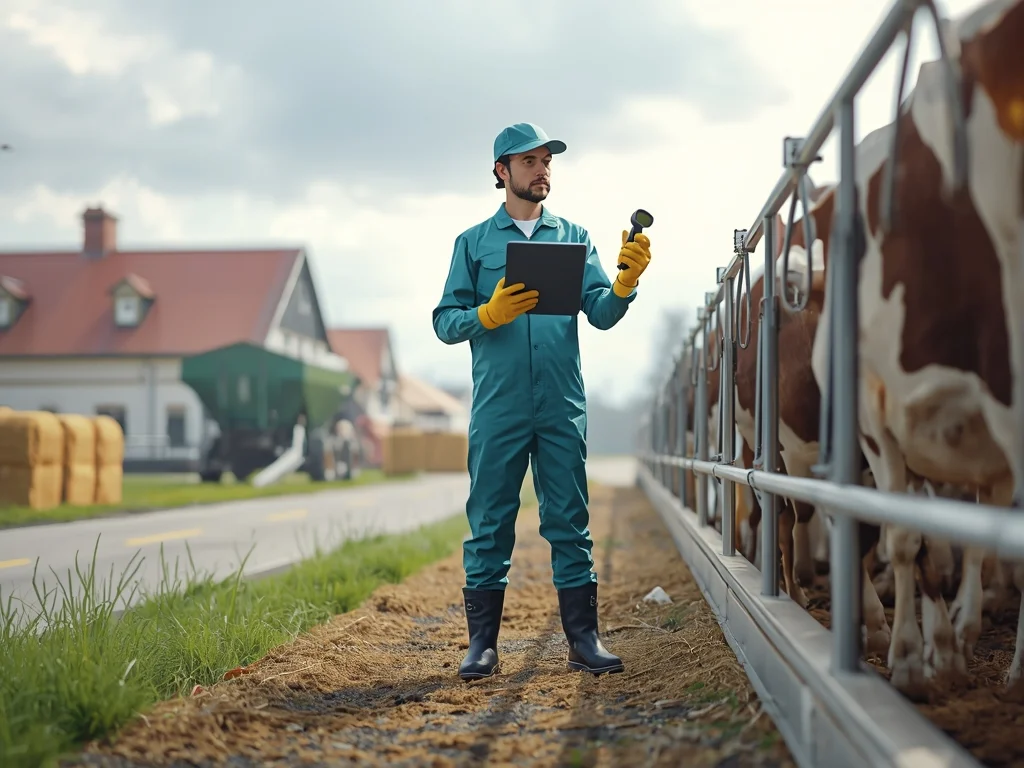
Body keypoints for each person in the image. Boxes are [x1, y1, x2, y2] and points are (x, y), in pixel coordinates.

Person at [431, 122, 652, 681]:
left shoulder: (574, 237)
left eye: (547, 160)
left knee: (570, 520)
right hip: (499, 406)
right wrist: (487, 314)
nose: (542, 169)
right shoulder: (473, 243)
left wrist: (624, 284)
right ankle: (482, 646)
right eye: (528, 161)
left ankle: (583, 640)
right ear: (501, 171)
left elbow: (601, 313)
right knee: (489, 522)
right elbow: (444, 321)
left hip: (560, 402)